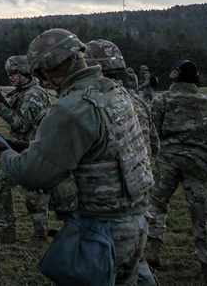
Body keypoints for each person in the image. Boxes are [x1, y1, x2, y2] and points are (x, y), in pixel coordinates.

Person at [0, 28, 152, 286]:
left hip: (100, 230)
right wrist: (23, 145)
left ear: (53, 66)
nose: (43, 82)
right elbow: (97, 149)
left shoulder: (72, 106)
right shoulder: (115, 92)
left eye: (42, 73)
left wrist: (4, 153)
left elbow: (34, 174)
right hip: (136, 220)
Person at [146, 60, 207, 285]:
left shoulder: (162, 101)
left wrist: (147, 162)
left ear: (173, 78)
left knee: (157, 205)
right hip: (199, 164)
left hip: (167, 161)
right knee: (202, 217)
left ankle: (154, 250)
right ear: (196, 79)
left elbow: (150, 135)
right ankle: (206, 271)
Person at [86, 39, 160, 286]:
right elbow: (155, 146)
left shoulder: (91, 102)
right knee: (134, 261)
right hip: (141, 189)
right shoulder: (135, 100)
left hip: (109, 201)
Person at [0, 54, 52, 243]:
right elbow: (16, 115)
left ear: (26, 72)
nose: (11, 77)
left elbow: (22, 125)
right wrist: (0, 97)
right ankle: (6, 231)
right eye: (9, 74)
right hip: (15, 148)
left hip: (31, 150)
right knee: (0, 188)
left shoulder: (34, 95)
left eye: (14, 73)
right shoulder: (21, 93)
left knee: (32, 195)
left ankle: (40, 235)